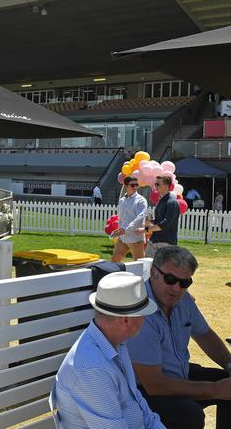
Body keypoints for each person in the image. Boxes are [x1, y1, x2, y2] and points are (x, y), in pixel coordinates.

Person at [127, 246, 231, 429]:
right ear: (153, 272)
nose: (176, 288)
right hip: (142, 392)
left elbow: (205, 335)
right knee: (190, 414)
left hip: (176, 374)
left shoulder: (184, 301)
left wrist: (230, 365)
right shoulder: (140, 311)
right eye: (170, 279)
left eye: (184, 283)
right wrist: (215, 390)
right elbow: (154, 384)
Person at [51, 271, 165, 428]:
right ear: (126, 321)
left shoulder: (115, 342)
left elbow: (139, 405)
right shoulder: (93, 369)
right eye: (143, 314)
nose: (146, 319)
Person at [111, 176, 147, 262]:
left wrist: (125, 229)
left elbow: (140, 218)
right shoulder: (122, 200)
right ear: (126, 186)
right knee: (114, 262)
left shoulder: (141, 200)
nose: (135, 187)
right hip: (122, 238)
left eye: (136, 185)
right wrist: (120, 230)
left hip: (135, 239)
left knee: (140, 266)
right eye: (132, 185)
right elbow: (121, 218)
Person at [144, 176, 180, 257]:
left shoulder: (172, 202)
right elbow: (158, 221)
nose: (155, 186)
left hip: (166, 243)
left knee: (164, 269)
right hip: (154, 241)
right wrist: (149, 221)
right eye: (155, 184)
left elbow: (165, 224)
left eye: (158, 184)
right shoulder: (161, 200)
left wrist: (146, 229)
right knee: (146, 267)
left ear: (166, 186)